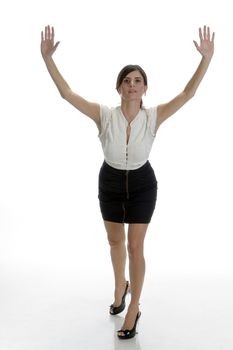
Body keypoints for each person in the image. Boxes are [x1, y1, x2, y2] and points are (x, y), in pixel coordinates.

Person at [40, 25, 215, 339]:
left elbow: (188, 94)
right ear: (118, 87)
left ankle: (133, 307)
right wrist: (47, 59)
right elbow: (66, 93)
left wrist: (206, 59)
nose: (132, 85)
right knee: (114, 242)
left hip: (142, 184)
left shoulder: (154, 116)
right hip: (109, 181)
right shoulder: (103, 115)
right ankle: (120, 286)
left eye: (138, 81)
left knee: (136, 246)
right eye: (127, 81)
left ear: (145, 88)